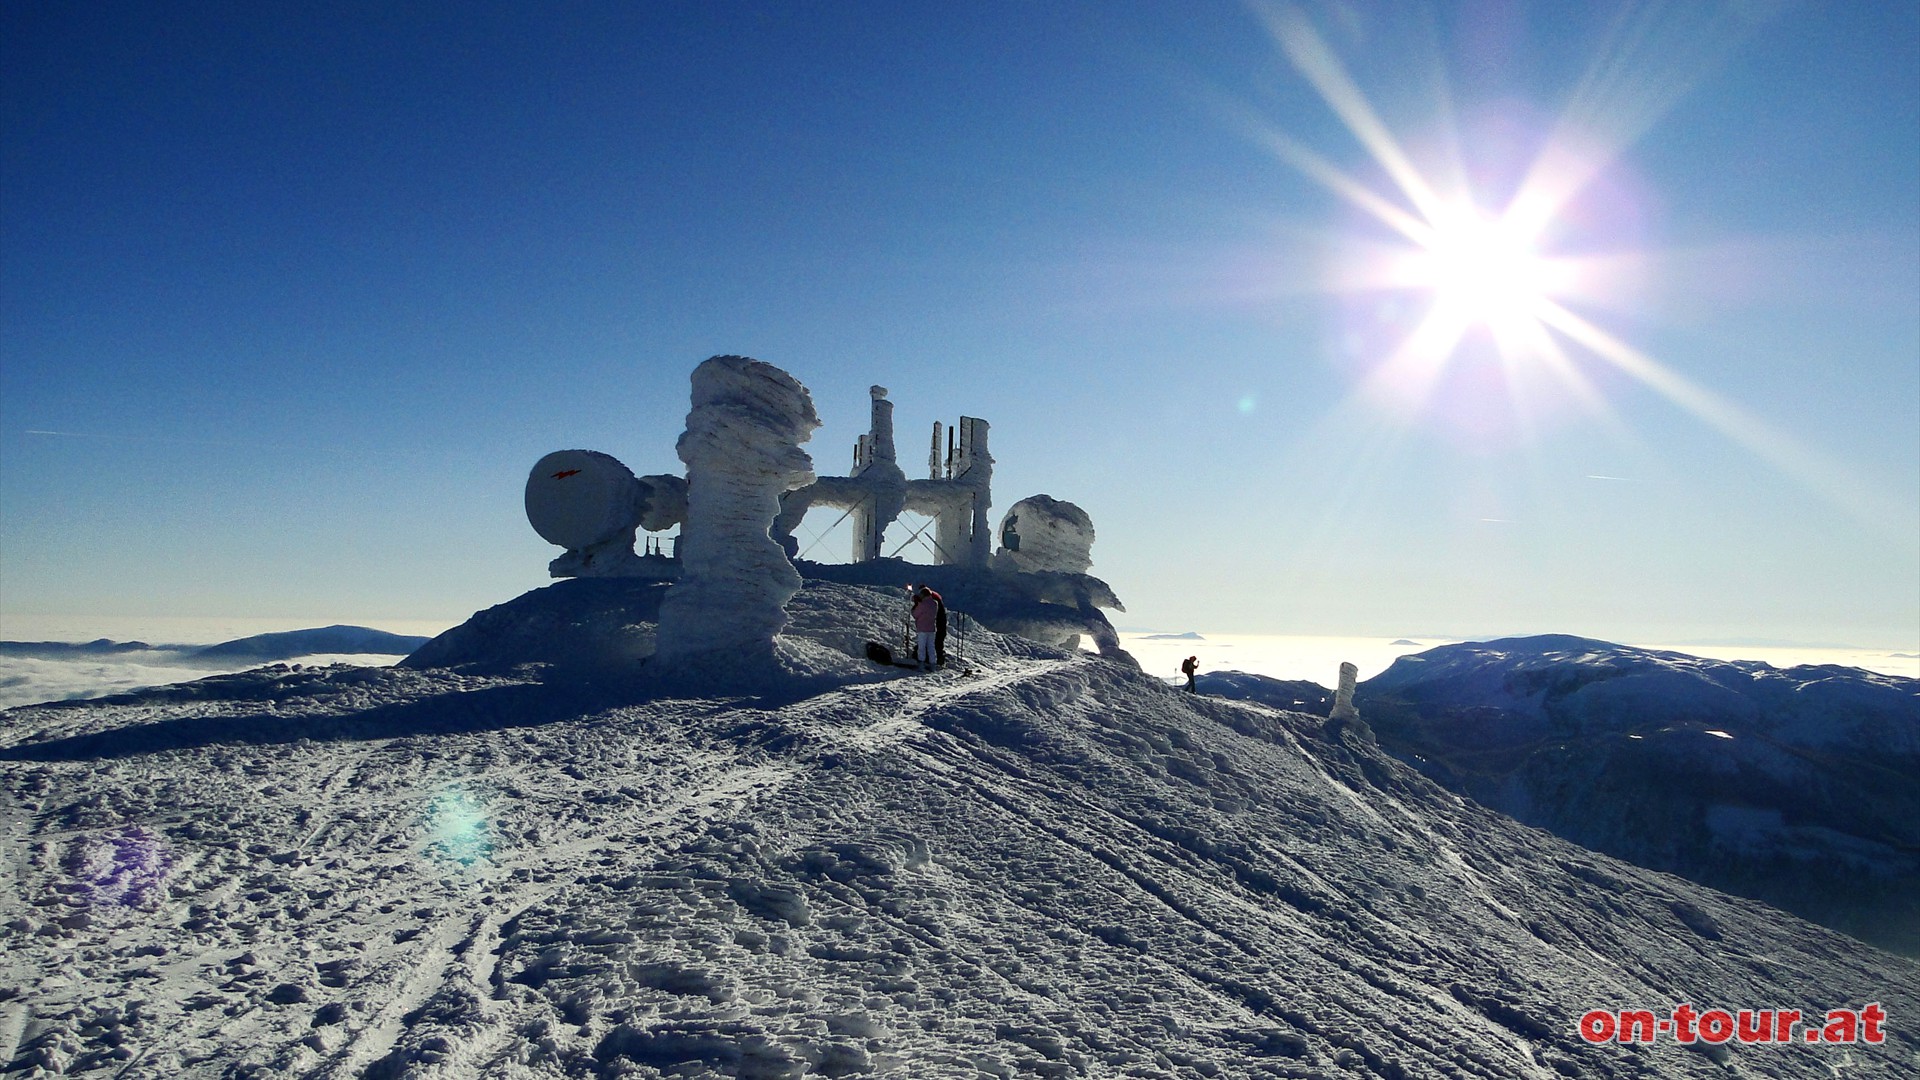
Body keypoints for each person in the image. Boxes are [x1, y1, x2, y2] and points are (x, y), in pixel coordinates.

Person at [910, 585, 944, 671]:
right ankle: (933, 665)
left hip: (922, 628)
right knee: (931, 647)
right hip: (931, 628)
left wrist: (914, 607)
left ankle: (921, 665)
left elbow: (915, 614)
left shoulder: (922, 604)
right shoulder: (934, 603)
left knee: (922, 647)